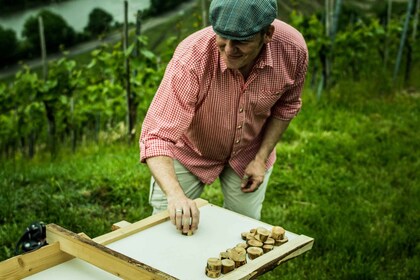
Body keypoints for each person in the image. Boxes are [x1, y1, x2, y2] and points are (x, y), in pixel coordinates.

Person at [139, 0, 308, 234]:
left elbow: (286, 107)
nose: (228, 50)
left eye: (241, 41)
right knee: (166, 226)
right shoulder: (191, 59)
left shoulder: (293, 50)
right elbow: (156, 137)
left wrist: (261, 158)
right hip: (189, 150)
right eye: (222, 37)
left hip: (250, 151)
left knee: (245, 229)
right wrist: (176, 196)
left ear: (267, 34)